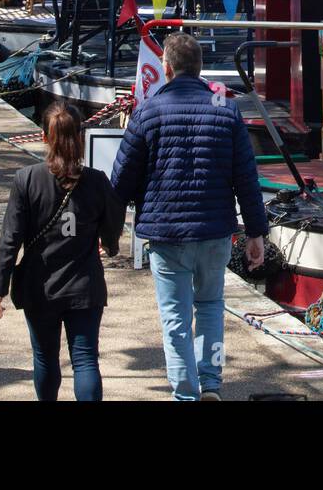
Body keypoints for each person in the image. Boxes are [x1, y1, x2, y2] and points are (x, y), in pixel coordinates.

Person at [111, 33, 267, 401]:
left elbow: (120, 181)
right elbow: (246, 176)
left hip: (167, 233)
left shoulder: (147, 111)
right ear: (200, 69)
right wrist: (257, 232)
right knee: (211, 306)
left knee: (175, 319)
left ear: (166, 68)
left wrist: (109, 230)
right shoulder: (225, 109)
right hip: (215, 230)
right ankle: (211, 382)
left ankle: (185, 392)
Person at [0, 103, 123, 402]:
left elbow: (11, 237)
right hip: (84, 284)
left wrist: (0, 285)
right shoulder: (97, 181)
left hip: (40, 285)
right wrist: (110, 245)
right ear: (80, 136)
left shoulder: (27, 179)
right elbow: (113, 225)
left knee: (46, 357)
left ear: (44, 137)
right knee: (86, 360)